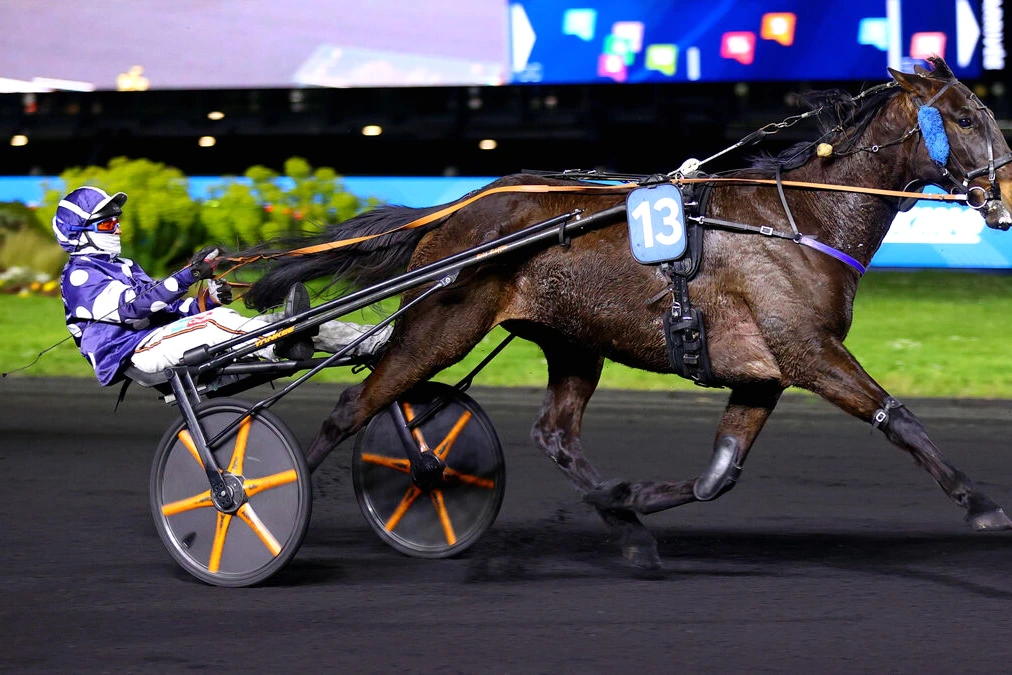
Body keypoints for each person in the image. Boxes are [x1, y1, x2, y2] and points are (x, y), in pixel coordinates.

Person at [53, 185, 391, 386]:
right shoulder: (80, 276)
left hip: (156, 338)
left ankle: (374, 341)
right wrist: (189, 275)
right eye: (107, 224)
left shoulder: (124, 266)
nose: (117, 229)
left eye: (117, 222)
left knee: (283, 321)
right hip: (133, 352)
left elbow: (167, 309)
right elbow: (133, 309)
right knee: (220, 322)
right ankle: (276, 344)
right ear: (78, 233)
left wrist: (205, 301)